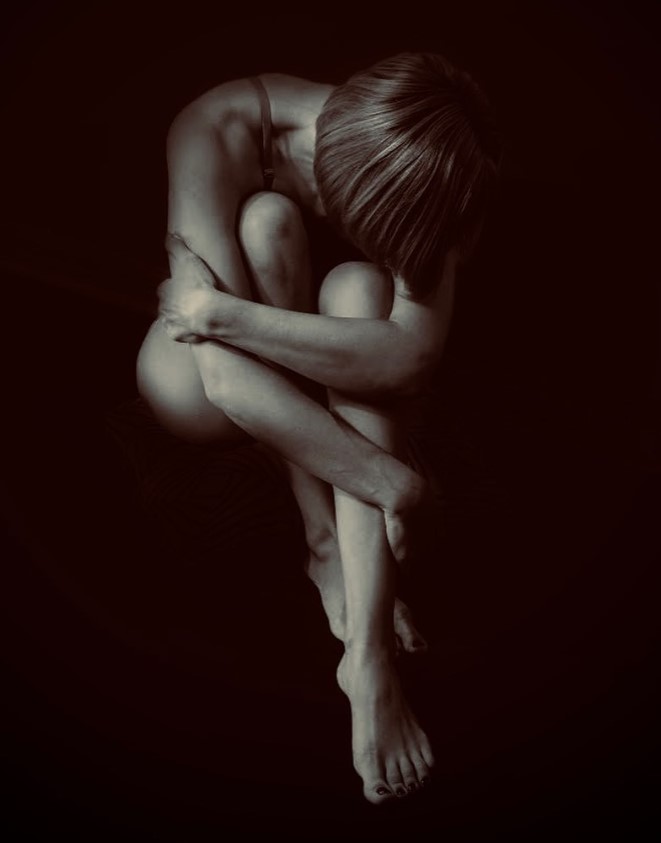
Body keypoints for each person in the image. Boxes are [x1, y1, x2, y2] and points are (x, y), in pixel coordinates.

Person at [136, 52, 501, 804]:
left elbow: (409, 357)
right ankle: (325, 537)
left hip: (284, 352)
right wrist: (390, 481)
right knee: (266, 223)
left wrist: (222, 313)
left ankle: (366, 659)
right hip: (198, 386)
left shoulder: (428, 164)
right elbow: (222, 377)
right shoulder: (213, 129)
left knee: (358, 284)